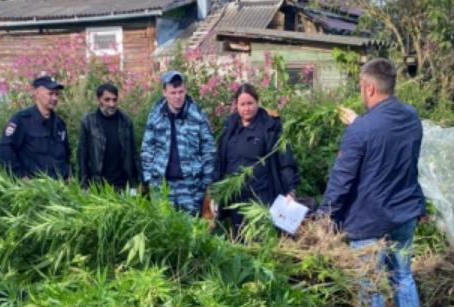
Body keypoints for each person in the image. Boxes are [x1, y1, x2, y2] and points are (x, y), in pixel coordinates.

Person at [319, 58, 426, 307]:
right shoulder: (411, 117)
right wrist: (358, 123)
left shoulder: (362, 130)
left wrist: (323, 217)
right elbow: (393, 148)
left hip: (370, 219)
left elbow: (342, 180)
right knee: (402, 276)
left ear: (368, 87)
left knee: (369, 285)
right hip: (404, 213)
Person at [213, 83, 299, 234]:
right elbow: (221, 161)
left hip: (261, 196)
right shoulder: (230, 128)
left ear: (257, 102)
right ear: (236, 105)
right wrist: (216, 192)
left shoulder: (270, 127)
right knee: (239, 236)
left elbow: (284, 160)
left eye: (250, 103)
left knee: (261, 237)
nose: (247, 108)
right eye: (242, 104)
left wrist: (290, 190)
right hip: (236, 196)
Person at [141, 70, 216, 215]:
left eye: (180, 92)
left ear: (185, 90)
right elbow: (147, 149)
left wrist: (207, 183)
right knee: (163, 232)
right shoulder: (155, 115)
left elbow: (209, 150)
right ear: (165, 92)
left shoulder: (197, 115)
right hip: (162, 186)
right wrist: (149, 178)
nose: (177, 97)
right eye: (173, 92)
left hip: (191, 188)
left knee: (190, 232)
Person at [0, 75, 71, 180]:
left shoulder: (60, 124)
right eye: (50, 94)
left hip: (59, 189)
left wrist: (68, 175)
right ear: (37, 94)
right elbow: (4, 150)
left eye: (57, 94)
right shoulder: (22, 120)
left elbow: (65, 155)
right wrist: (20, 176)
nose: (55, 98)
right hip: (34, 189)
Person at [78, 82, 141, 191]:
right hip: (98, 186)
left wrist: (136, 182)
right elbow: (82, 155)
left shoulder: (126, 122)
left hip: (122, 185)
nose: (112, 104)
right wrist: (84, 184)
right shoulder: (88, 122)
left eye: (114, 100)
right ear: (98, 100)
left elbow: (133, 154)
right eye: (107, 100)